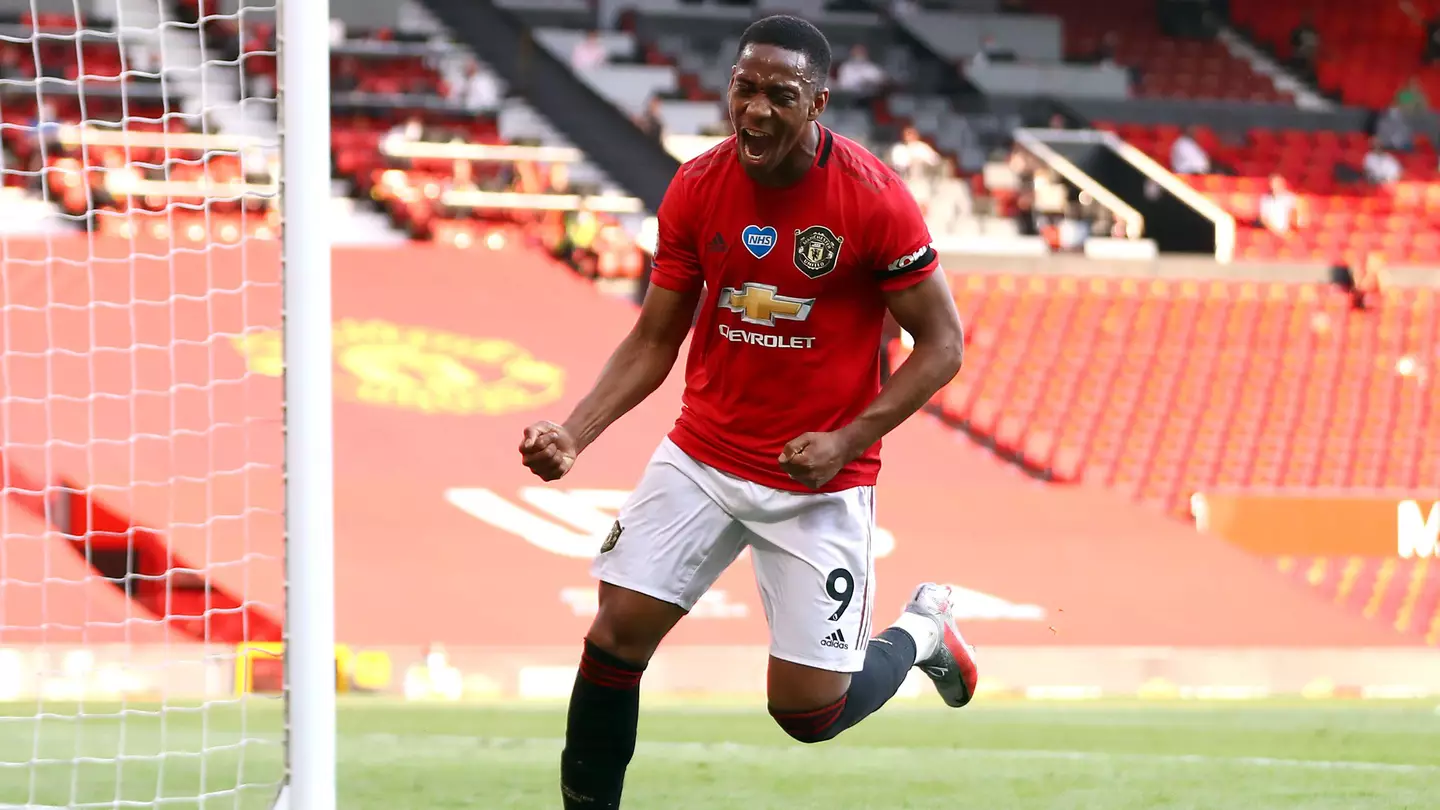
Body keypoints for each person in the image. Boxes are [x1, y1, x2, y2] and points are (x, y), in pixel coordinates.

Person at [518, 14, 975, 810]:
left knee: (807, 714)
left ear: (818, 104)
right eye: (744, 88)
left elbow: (941, 346)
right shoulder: (697, 186)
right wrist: (574, 432)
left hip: (817, 479)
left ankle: (923, 633)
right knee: (614, 634)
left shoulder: (874, 201)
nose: (755, 110)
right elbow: (655, 339)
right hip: (702, 455)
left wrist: (845, 440)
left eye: (780, 95)